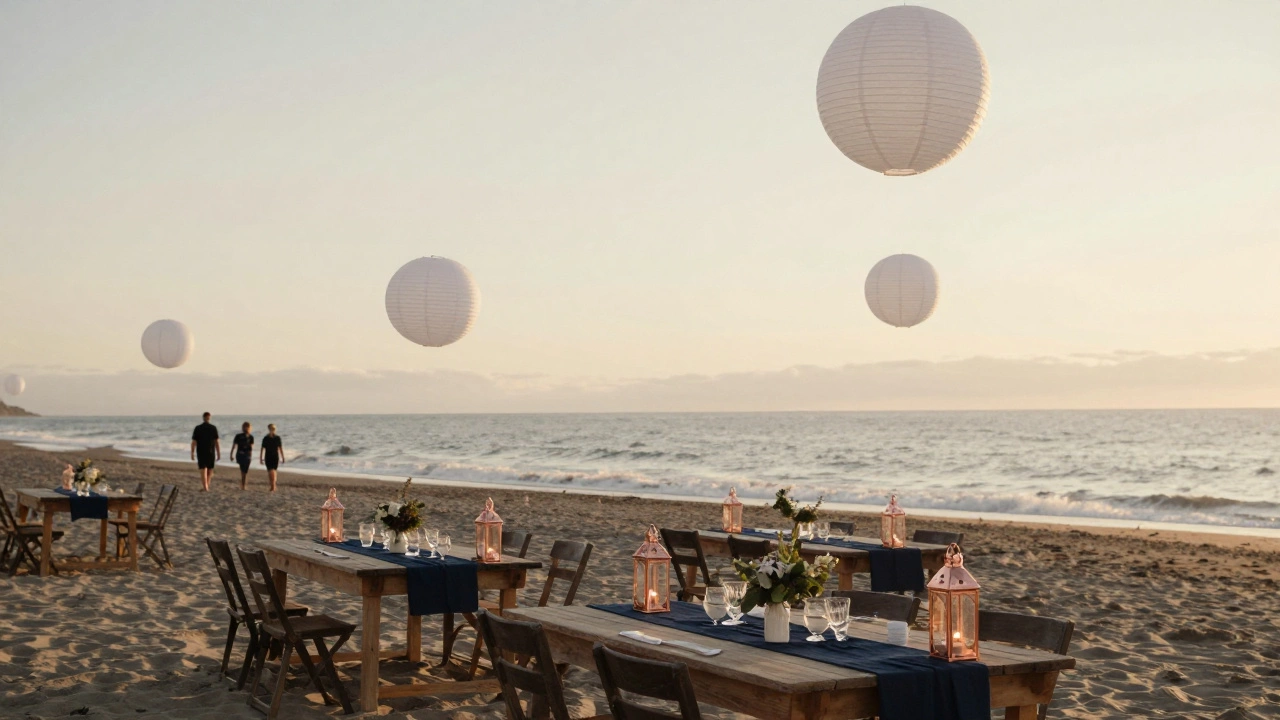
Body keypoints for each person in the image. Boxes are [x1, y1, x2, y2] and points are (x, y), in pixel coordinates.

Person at [191, 412, 220, 491]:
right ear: (206, 418)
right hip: (205, 451)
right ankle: (206, 486)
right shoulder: (200, 428)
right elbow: (194, 441)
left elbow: (216, 441)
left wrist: (192, 453)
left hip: (206, 451)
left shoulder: (210, 428)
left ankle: (206, 485)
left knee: (207, 469)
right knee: (206, 469)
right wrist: (192, 453)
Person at [260, 423, 285, 493]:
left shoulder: (277, 438)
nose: (272, 430)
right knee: (270, 471)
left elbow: (280, 448)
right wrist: (260, 458)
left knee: (274, 471)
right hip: (268, 456)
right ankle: (272, 485)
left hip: (275, 456)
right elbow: (262, 448)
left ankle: (273, 486)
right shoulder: (266, 438)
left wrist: (283, 457)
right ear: (269, 429)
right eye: (271, 429)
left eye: (273, 429)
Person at [230, 422, 255, 491]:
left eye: (248, 427)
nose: (246, 428)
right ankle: (243, 485)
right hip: (240, 454)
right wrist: (231, 454)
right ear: (243, 428)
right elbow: (234, 446)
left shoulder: (251, 437)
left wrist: (250, 449)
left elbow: (252, 447)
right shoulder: (238, 436)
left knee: (245, 470)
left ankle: (243, 484)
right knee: (242, 469)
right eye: (245, 427)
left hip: (248, 455)